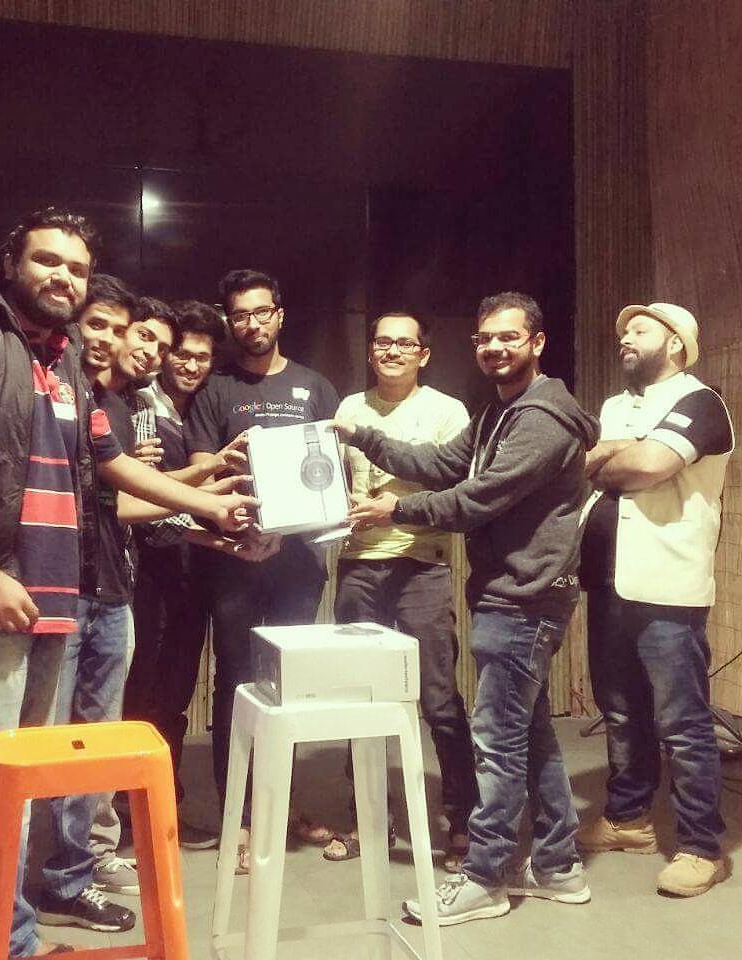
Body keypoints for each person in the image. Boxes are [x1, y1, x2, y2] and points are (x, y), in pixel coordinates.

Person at [0, 208, 256, 956]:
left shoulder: (62, 370)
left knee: (19, 790)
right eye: (48, 260)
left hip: (49, 604)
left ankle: (11, 939)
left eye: (78, 268)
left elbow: (111, 466)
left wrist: (210, 505)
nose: (64, 276)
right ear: (10, 263)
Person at [335, 291, 599, 925]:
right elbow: (441, 462)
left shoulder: (541, 420)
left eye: (509, 336)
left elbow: (477, 497)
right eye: (485, 338)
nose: (494, 348)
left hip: (524, 597)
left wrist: (395, 509)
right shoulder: (496, 414)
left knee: (496, 742)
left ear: (537, 342)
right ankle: (558, 865)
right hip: (509, 592)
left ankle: (485, 878)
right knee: (529, 733)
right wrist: (364, 435)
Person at [184, 269, 339, 871]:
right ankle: (242, 816)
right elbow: (204, 472)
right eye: (240, 314)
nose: (252, 323)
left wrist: (286, 528)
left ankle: (283, 804)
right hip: (235, 560)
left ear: (280, 314)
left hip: (299, 562)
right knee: (238, 682)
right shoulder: (215, 389)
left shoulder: (314, 387)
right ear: (230, 320)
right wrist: (249, 529)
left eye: (261, 311)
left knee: (288, 683)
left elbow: (327, 476)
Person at [578, 302, 733, 897]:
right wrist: (613, 452)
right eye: (624, 330)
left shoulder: (701, 401)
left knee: (683, 722)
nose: (625, 336)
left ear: (676, 343)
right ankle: (629, 819)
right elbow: (585, 467)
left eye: (640, 329)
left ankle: (701, 847)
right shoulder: (615, 407)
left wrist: (613, 454)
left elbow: (647, 466)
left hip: (668, 586)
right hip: (608, 580)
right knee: (620, 710)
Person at [36, 275, 177, 930]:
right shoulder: (57, 392)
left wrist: (203, 488)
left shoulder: (115, 404)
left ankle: (77, 869)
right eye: (107, 326)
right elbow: (116, 499)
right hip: (60, 594)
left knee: (96, 742)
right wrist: (204, 493)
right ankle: (58, 878)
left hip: (113, 593)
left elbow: (121, 495)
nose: (125, 343)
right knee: (58, 745)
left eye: (126, 330)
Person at [324, 312, 477, 870]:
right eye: (382, 342)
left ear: (423, 354)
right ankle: (368, 820)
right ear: (371, 351)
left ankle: (463, 819)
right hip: (358, 565)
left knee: (438, 698)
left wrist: (395, 506)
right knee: (359, 699)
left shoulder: (448, 412)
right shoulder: (349, 408)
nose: (391, 351)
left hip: (422, 566)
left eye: (404, 343)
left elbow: (452, 483)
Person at [123, 298, 234, 849]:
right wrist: (212, 511)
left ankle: (162, 809)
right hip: (150, 574)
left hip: (191, 574)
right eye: (180, 354)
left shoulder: (197, 410)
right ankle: (132, 816)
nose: (189, 365)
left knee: (174, 693)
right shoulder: (141, 405)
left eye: (201, 357)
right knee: (143, 693)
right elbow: (149, 503)